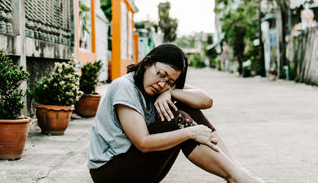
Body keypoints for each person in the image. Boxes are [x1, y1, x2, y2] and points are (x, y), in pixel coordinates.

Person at [88, 43, 271, 183]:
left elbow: (207, 100)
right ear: (147, 62)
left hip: (137, 168)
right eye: (161, 75)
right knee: (177, 118)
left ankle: (238, 172)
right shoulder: (124, 87)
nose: (162, 83)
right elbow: (142, 143)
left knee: (184, 105)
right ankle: (236, 176)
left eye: (169, 81)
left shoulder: (161, 88)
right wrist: (190, 132)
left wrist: (171, 92)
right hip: (110, 172)